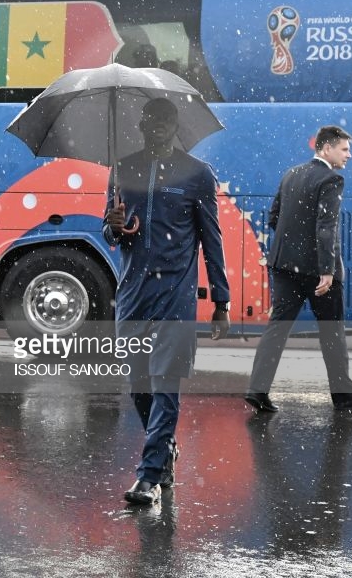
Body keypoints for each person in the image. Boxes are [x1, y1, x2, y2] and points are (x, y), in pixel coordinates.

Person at [103, 97, 231, 506]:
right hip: (133, 295)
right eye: (151, 120)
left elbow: (212, 241)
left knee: (165, 384)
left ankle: (149, 475)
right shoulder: (123, 169)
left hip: (175, 296)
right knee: (139, 383)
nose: (157, 127)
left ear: (175, 127)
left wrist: (221, 301)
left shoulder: (197, 174)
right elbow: (111, 232)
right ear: (141, 125)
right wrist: (115, 226)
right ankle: (165, 448)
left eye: (165, 121)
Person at [245, 126, 352, 413]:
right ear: (326, 148)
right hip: (316, 271)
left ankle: (257, 390)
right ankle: (343, 396)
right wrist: (326, 270)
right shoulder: (332, 179)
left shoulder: (291, 173)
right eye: (344, 149)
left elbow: (274, 217)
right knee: (332, 333)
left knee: (276, 329)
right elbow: (326, 226)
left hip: (283, 266)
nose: (349, 155)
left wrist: (291, 251)